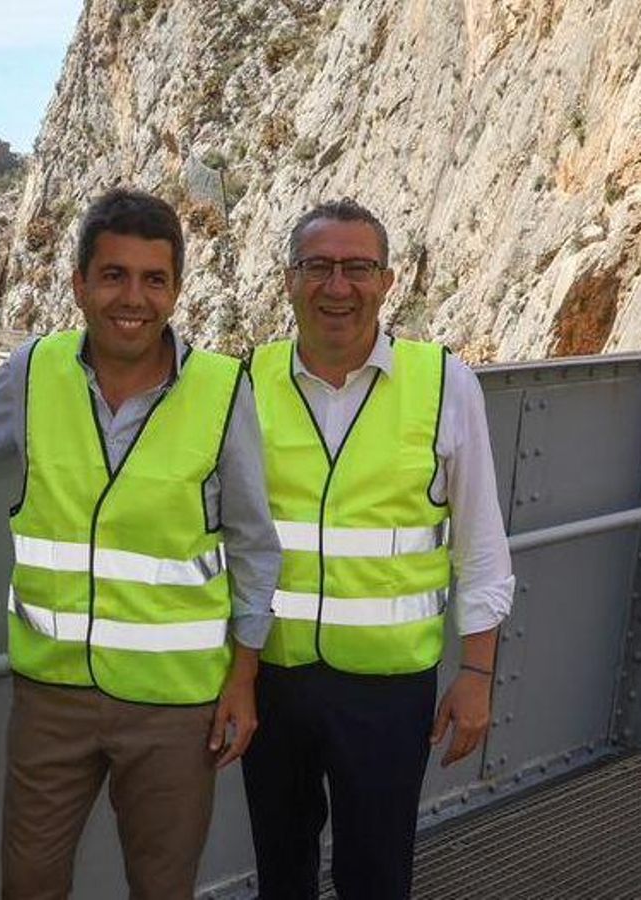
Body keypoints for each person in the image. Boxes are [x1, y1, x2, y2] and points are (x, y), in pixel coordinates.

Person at [0, 188, 282, 898]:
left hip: (175, 707)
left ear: (177, 290)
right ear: (80, 285)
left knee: (161, 888)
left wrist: (243, 677)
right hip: (51, 696)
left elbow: (253, 544)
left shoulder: (221, 390)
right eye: (114, 275)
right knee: (28, 885)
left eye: (155, 279)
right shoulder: (36, 370)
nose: (134, 297)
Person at [242, 198, 515, 899]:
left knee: (377, 875)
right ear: (289, 281)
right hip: (273, 678)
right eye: (319, 267)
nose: (338, 286)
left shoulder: (445, 383)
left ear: (388, 282)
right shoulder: (244, 384)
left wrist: (478, 675)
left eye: (358, 267)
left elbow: (481, 545)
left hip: (390, 690)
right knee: (281, 870)